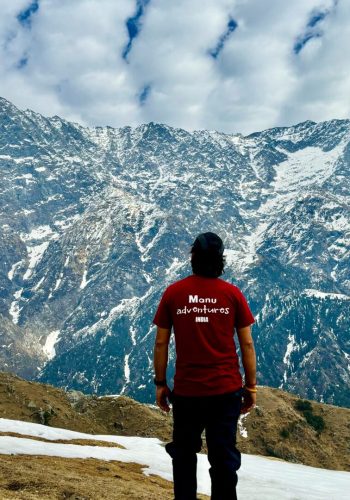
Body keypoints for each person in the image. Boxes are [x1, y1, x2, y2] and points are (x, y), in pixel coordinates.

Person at [152, 232, 256, 500]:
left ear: (193, 257)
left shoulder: (174, 293)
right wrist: (251, 387)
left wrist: (161, 383)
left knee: (184, 455)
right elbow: (246, 345)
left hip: (187, 392)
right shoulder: (232, 294)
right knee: (223, 460)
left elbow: (161, 344)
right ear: (220, 260)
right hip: (226, 390)